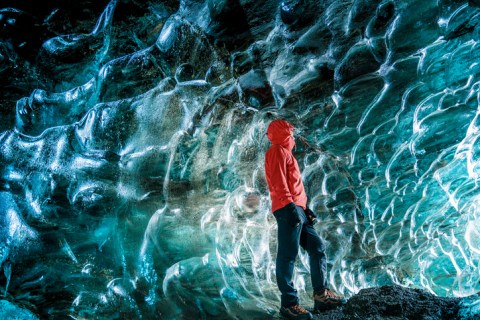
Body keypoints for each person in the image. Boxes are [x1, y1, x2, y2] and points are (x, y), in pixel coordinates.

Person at [264, 119, 345, 319]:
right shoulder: (277, 151)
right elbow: (278, 181)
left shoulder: (286, 153)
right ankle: (289, 305)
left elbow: (291, 184)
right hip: (287, 208)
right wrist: (290, 206)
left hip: (296, 208)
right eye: (291, 133)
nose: (294, 137)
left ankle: (321, 295)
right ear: (284, 133)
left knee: (317, 247)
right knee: (287, 254)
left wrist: (304, 208)